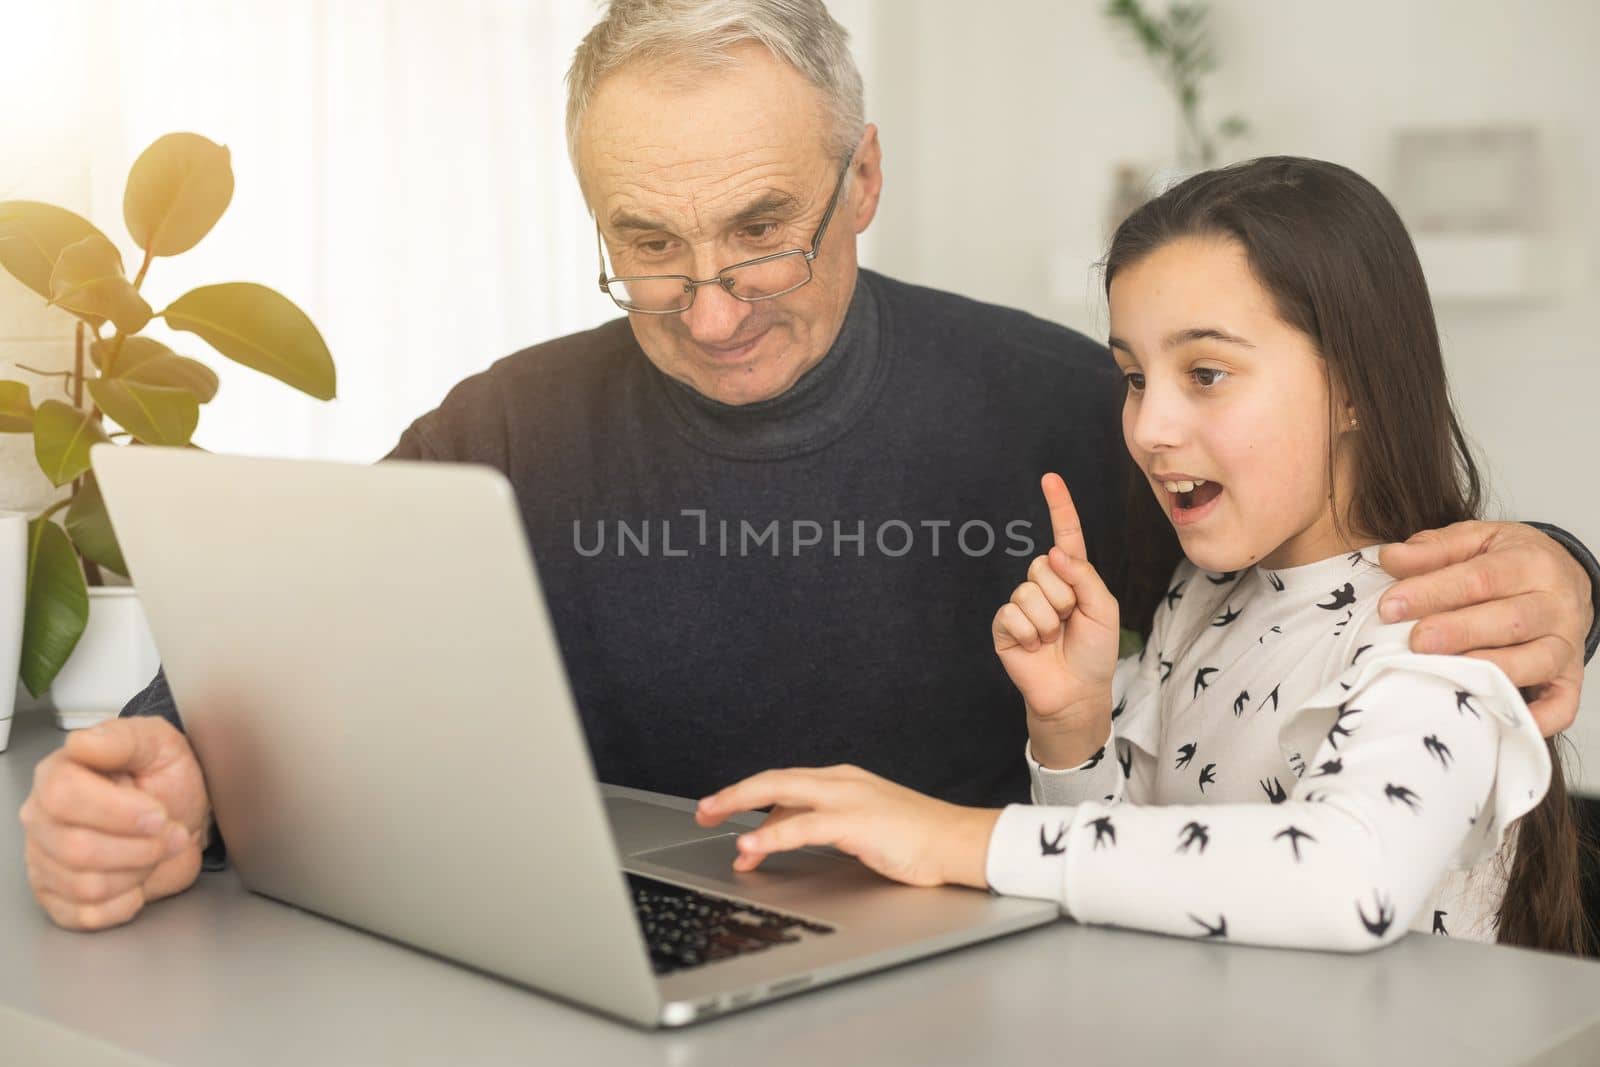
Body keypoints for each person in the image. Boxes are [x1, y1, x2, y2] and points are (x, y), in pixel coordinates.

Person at [19, 2, 1599, 934]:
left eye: (762, 228)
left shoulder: (1074, 411)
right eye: (645, 243)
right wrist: (172, 772)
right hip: (627, 974)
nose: (707, 305)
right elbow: (286, 653)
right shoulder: (506, 425)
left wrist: (1566, 574)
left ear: (865, 183)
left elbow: (1326, 569)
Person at [695, 157, 1590, 953]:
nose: (1149, 428)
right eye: (1134, 378)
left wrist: (953, 839)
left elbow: (1345, 880)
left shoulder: (1444, 626)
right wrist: (1073, 727)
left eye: (1205, 373)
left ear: (1354, 385)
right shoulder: (1206, 594)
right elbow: (1133, 896)